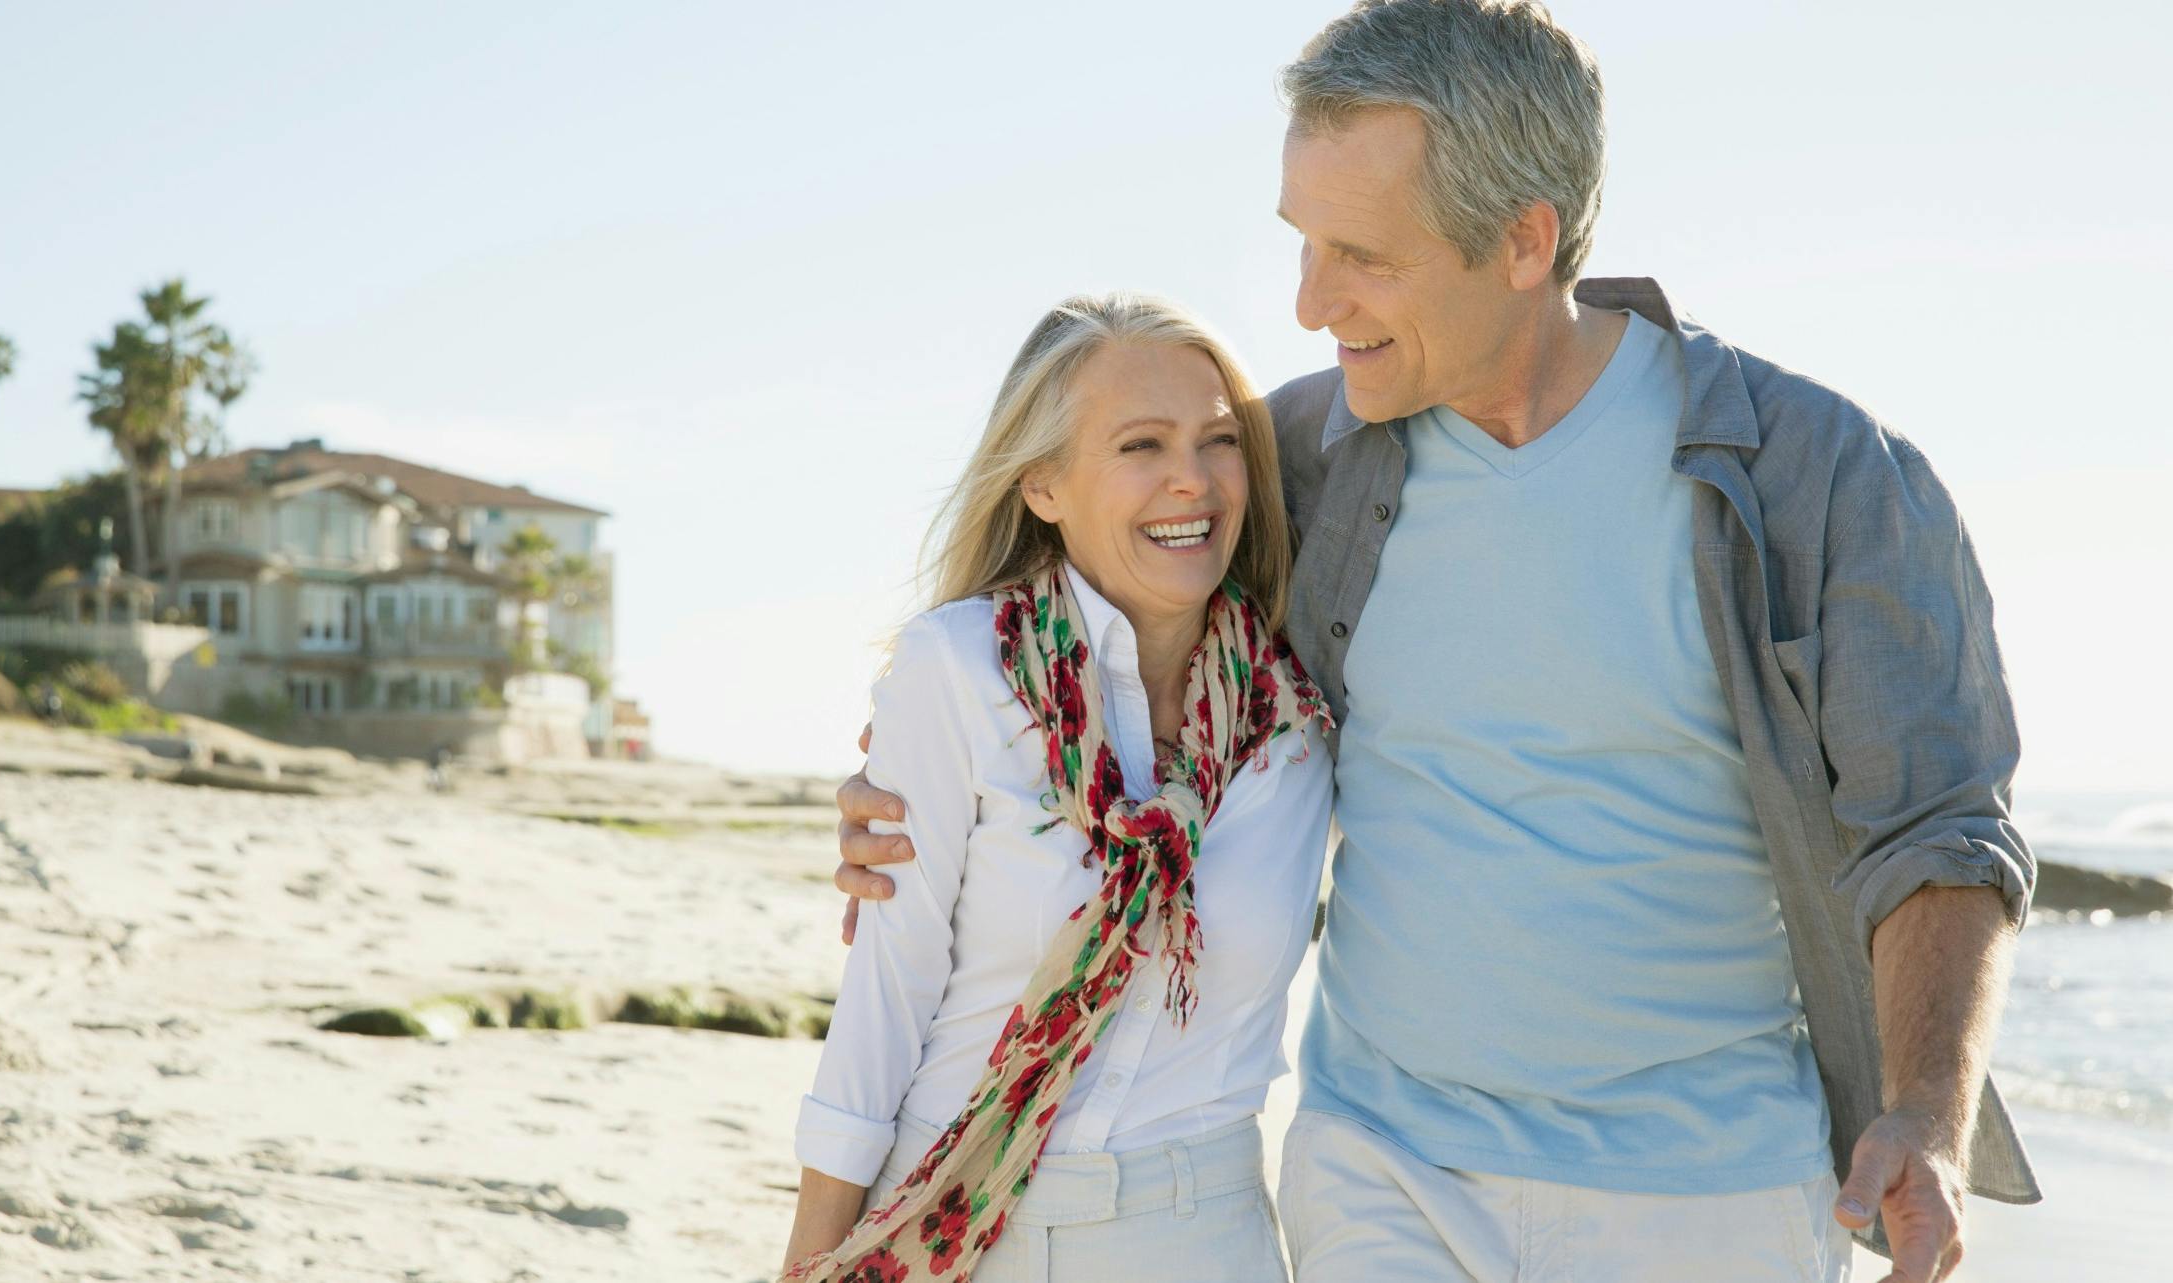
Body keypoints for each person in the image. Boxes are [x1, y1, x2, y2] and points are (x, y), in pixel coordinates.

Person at [832, 3, 2038, 1280]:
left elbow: (1939, 828)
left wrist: (1924, 1117)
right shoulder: (1295, 462)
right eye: (1302, 243)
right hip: (1379, 1172)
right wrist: (913, 772)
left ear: (1524, 242)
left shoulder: (1820, 477)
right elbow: (1077, 607)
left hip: (1712, 1195)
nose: (1307, 304)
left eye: (1363, 256)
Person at [781, 293, 1332, 1281]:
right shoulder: (958, 670)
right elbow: (885, 1000)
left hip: (1203, 1237)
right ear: (1041, 483)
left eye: (1218, 440)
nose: (1190, 481)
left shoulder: (1299, 717)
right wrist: (810, 1256)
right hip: (954, 1216)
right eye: (1139, 445)